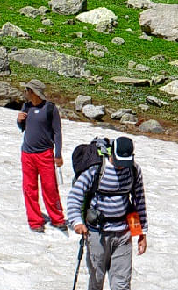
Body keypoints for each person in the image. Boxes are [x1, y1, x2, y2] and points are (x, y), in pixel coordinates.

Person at [67, 136, 148, 290]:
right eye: (118, 162)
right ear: (112, 154)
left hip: (123, 233)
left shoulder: (133, 170)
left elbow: (138, 201)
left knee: (122, 284)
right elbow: (75, 196)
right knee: (96, 279)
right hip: (98, 232)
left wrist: (141, 233)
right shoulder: (96, 169)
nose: (121, 167)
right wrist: (77, 222)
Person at [17, 79, 65, 233]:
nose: (26, 93)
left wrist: (57, 154)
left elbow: (57, 132)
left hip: (45, 154)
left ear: (34, 92)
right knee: (29, 188)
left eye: (28, 90)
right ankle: (35, 221)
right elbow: (23, 128)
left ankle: (57, 219)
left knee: (50, 187)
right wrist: (19, 121)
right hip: (27, 154)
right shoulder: (26, 107)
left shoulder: (50, 109)